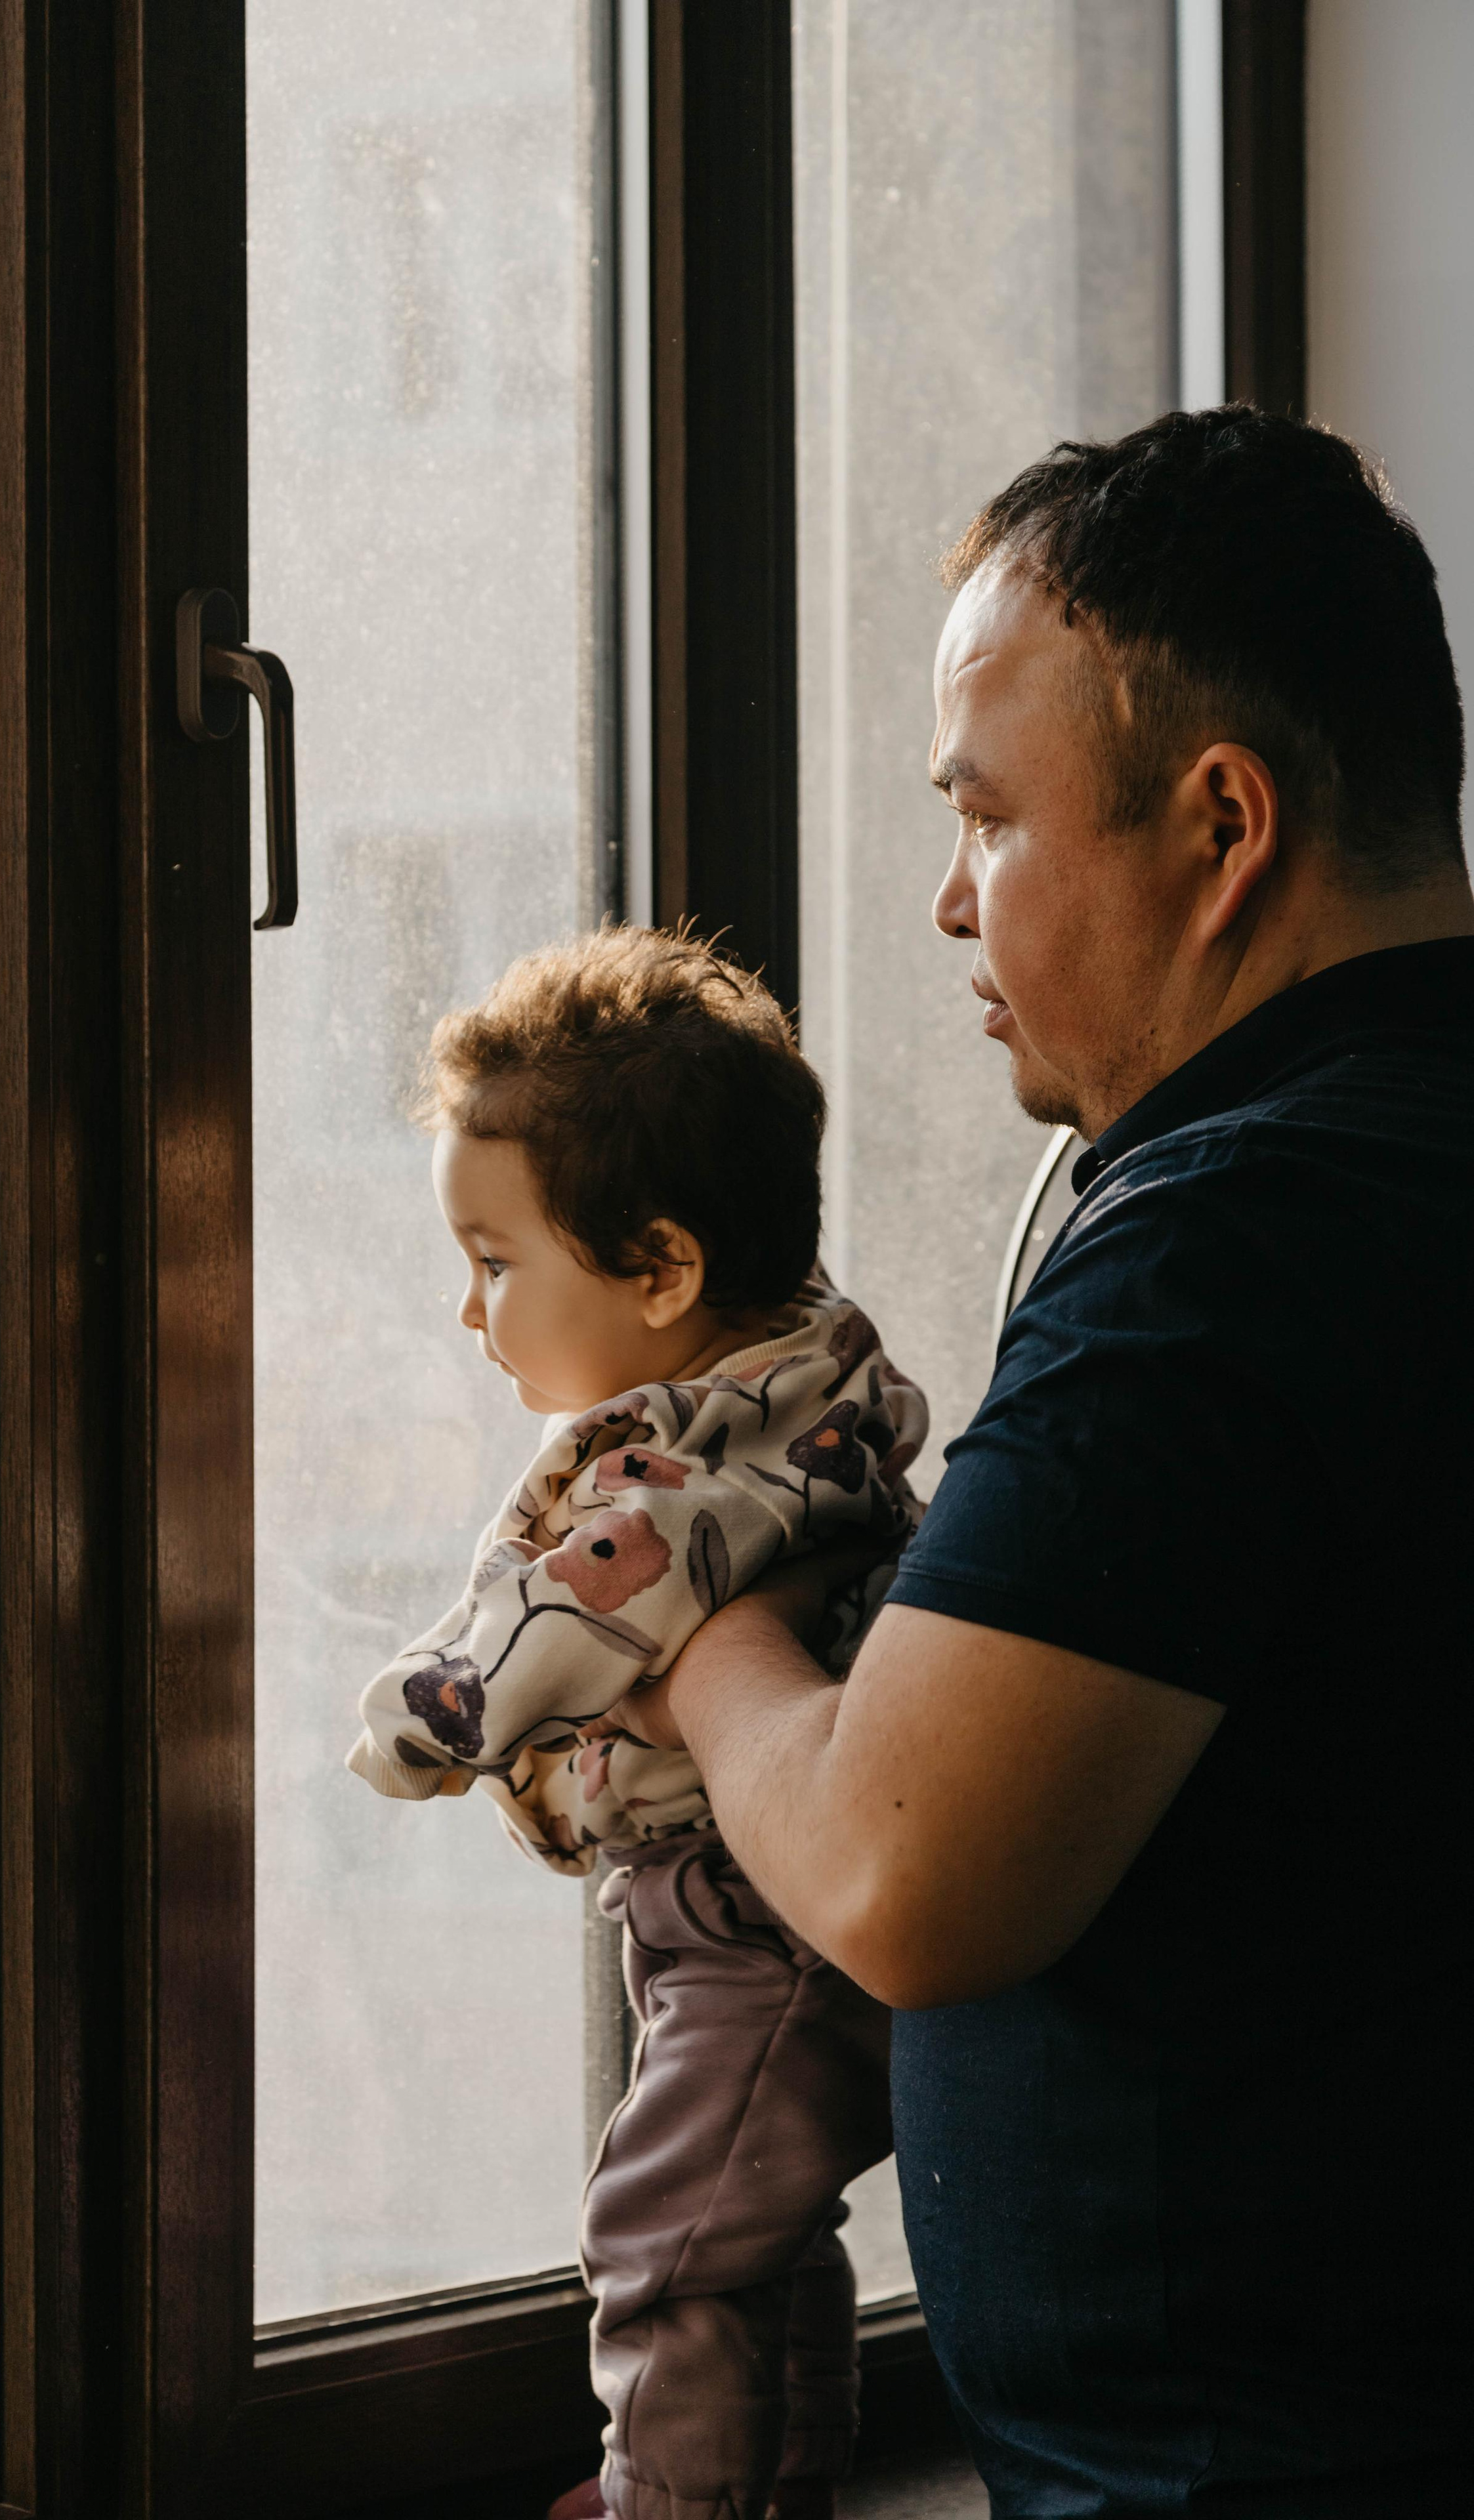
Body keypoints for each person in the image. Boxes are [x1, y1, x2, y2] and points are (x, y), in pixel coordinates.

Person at [615, 408, 1474, 2517]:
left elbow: (910, 1871)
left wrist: (673, 1605)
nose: (945, 899)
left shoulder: (1233, 1241)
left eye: (987, 819)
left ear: (1221, 823)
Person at [345, 927, 929, 2520]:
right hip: (751, 1905)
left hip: (760, 1925)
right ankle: (775, 2473)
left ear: (662, 1267)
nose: (471, 1315)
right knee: (752, 2228)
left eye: (495, 1261)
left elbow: (514, 1656)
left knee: (659, 2234)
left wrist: (404, 1720)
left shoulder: (671, 1499)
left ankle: (673, 2501)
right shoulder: (807, 1384)